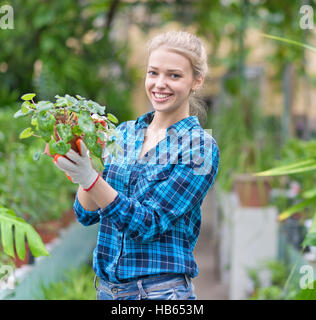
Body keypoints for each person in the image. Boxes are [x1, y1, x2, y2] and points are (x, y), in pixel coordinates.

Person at [52, 30, 220, 300]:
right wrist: (86, 173)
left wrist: (93, 180)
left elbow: (149, 224)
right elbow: (87, 214)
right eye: (153, 73)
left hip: (160, 293)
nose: (160, 84)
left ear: (196, 81)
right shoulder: (125, 133)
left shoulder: (199, 148)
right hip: (107, 291)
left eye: (174, 75)